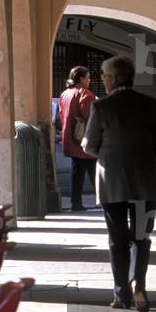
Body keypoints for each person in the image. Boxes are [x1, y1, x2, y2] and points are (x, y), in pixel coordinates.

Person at [81, 55, 156, 312]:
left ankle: (121, 293)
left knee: (116, 238)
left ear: (114, 78)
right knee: (140, 235)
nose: (103, 80)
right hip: (145, 185)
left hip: (113, 184)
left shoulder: (102, 107)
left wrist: (108, 155)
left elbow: (88, 145)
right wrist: (154, 174)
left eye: (105, 76)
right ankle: (138, 283)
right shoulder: (150, 104)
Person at [58, 65, 97, 211]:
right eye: (87, 77)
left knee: (78, 171)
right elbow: (91, 116)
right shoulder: (85, 94)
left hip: (71, 138)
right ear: (81, 79)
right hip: (84, 139)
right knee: (94, 171)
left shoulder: (65, 94)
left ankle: (76, 202)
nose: (89, 80)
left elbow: (61, 115)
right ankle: (106, 200)